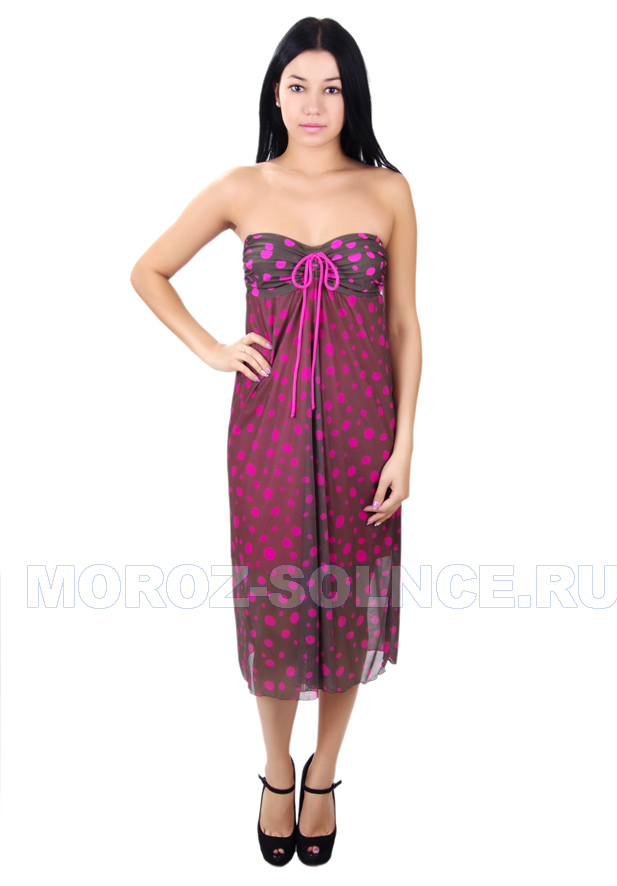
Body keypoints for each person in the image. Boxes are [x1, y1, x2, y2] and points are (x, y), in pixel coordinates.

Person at [130, 15, 421, 867]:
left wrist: (406, 446)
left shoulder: (388, 191)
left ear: (353, 97)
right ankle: (275, 766)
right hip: (268, 434)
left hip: (366, 427)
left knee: (349, 598)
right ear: (275, 92)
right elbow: (148, 270)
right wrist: (212, 348)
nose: (314, 104)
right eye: (298, 86)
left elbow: (405, 324)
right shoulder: (241, 187)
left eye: (332, 87)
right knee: (279, 598)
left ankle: (324, 772)